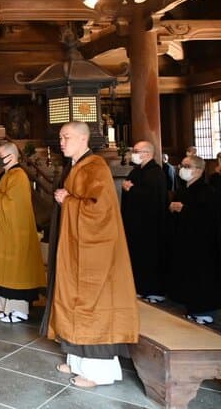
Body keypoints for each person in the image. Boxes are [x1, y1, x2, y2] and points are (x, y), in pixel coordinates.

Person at [44, 121, 138, 388]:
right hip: (76, 248)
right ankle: (76, 362)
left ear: (84, 139)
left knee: (91, 305)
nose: (61, 142)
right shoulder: (75, 166)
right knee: (73, 301)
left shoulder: (95, 167)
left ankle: (99, 373)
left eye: (67, 137)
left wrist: (69, 201)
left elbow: (100, 211)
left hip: (95, 252)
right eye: (61, 137)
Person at [0, 141, 45, 323]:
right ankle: (6, 308)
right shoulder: (6, 175)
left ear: (11, 156)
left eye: (0, 157)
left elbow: (15, 204)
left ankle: (19, 310)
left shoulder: (19, 176)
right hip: (3, 232)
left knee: (15, 271)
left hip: (15, 234)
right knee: (2, 269)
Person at [167, 155, 221, 324]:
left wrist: (184, 209)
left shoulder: (207, 191)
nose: (182, 169)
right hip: (185, 241)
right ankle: (192, 308)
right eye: (182, 165)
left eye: (187, 166)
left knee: (202, 278)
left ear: (198, 170)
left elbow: (208, 217)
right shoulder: (183, 189)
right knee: (188, 276)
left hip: (202, 244)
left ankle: (205, 311)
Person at [120, 141, 168, 302]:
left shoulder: (155, 173)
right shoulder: (136, 171)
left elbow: (151, 197)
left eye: (136, 151)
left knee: (151, 257)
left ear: (147, 153)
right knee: (138, 256)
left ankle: (155, 290)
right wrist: (128, 189)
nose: (133, 153)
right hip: (135, 223)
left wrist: (131, 189)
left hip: (151, 224)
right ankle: (140, 287)